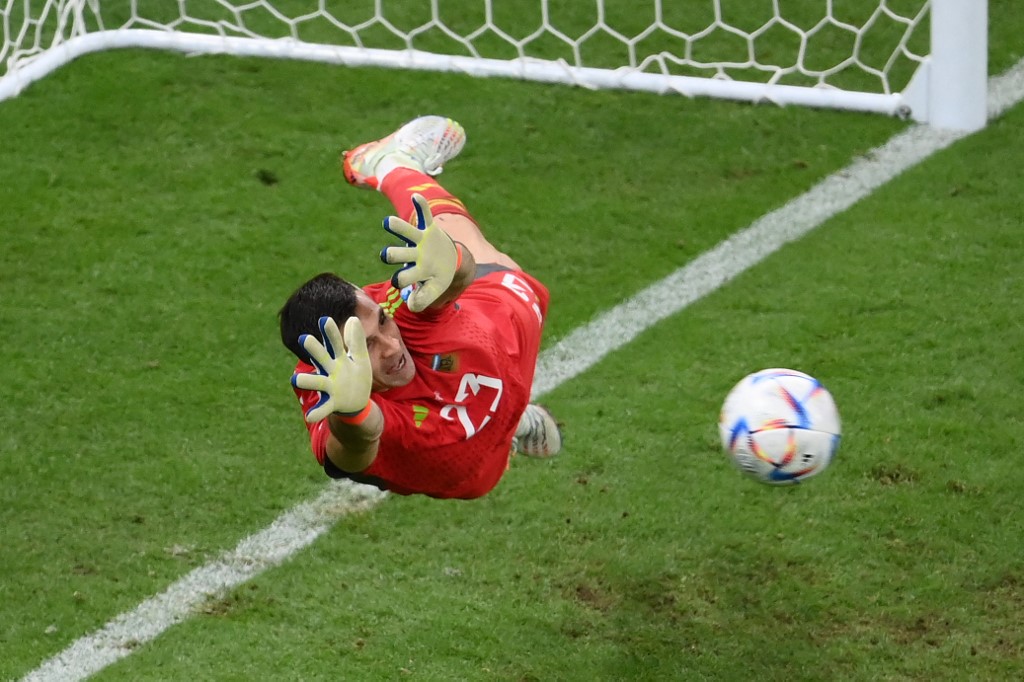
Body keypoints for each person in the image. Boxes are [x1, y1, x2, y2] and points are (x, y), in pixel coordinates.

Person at [279, 115, 562, 500]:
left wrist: (454, 263)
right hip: (467, 464)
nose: (392, 347)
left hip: (506, 331)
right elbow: (358, 448)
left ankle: (391, 163)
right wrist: (352, 414)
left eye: (383, 324)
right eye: (367, 347)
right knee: (483, 454)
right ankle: (514, 424)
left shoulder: (393, 304)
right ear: (332, 361)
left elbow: (456, 280)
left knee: (450, 246)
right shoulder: (334, 396)